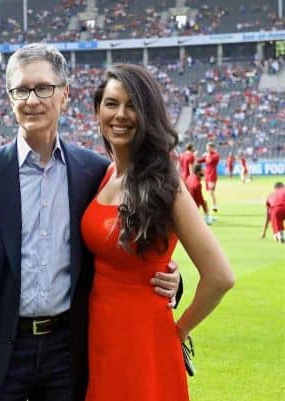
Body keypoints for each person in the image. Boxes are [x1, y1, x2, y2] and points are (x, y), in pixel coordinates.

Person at [0, 44, 181, 401]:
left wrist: (171, 280)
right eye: (21, 90)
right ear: (9, 98)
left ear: (65, 94)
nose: (32, 99)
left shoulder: (93, 172)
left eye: (43, 88)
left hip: (68, 354)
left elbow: (123, 247)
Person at [82, 64, 235, 401]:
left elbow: (220, 276)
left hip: (144, 341)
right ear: (97, 111)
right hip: (99, 335)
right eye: (111, 103)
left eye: (132, 105)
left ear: (148, 114)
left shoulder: (165, 182)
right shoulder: (106, 173)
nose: (120, 114)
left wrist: (180, 330)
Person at [197, 142, 220, 213]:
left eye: (208, 147)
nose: (207, 149)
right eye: (207, 147)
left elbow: (211, 160)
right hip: (207, 176)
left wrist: (207, 155)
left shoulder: (215, 155)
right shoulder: (207, 155)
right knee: (209, 192)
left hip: (212, 176)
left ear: (212, 148)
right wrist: (195, 156)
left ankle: (214, 205)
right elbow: (199, 161)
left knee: (211, 191)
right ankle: (211, 205)